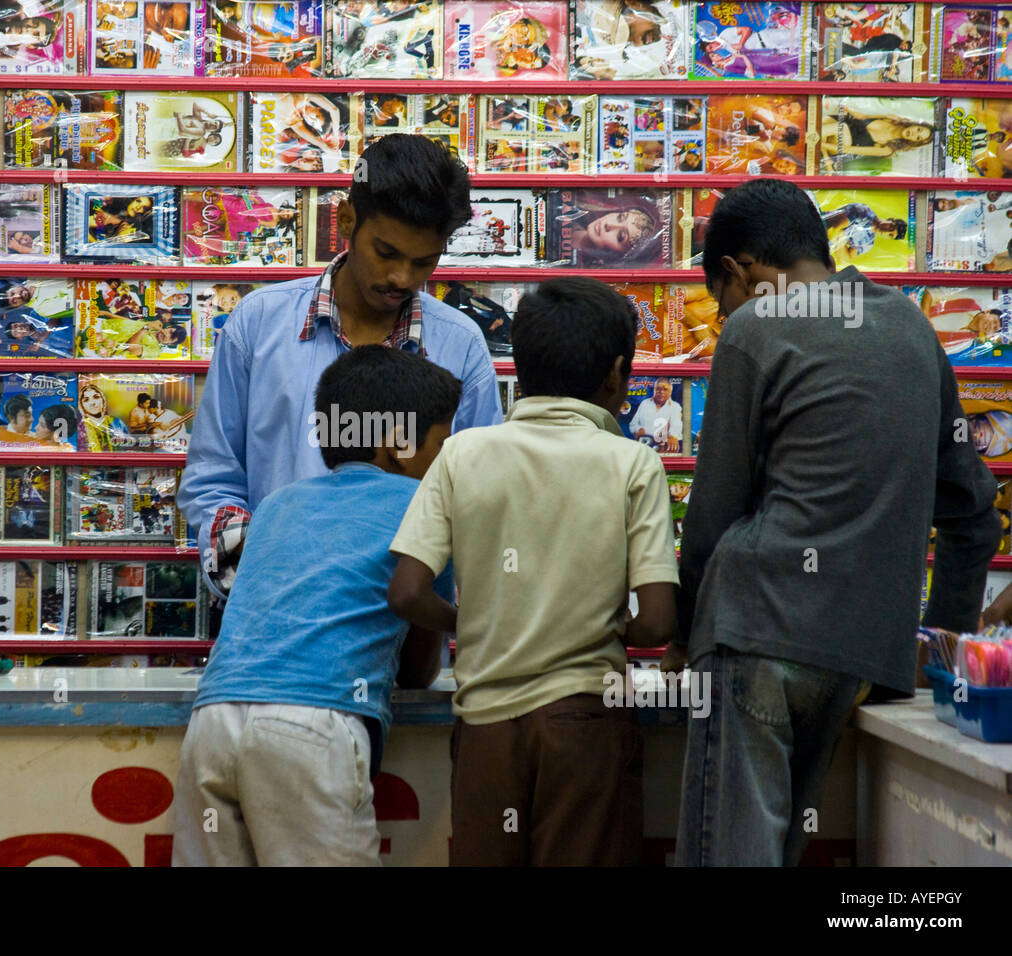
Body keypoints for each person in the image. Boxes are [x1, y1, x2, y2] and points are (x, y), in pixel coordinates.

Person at [671, 178, 1002, 866]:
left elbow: (711, 520)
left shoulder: (755, 329)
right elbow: (973, 514)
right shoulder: (912, 326)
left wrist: (685, 638)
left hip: (756, 625)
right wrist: (941, 652)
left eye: (721, 299)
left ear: (738, 271)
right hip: (858, 652)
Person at [388, 277, 679, 865]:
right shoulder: (633, 462)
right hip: (586, 723)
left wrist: (471, 621)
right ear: (619, 374)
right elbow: (658, 621)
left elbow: (407, 591)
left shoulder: (462, 453)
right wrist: (593, 625)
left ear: (518, 367)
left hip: (485, 730)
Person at [172, 346, 461, 866]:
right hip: (314, 726)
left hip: (212, 722)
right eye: (442, 442)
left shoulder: (279, 503)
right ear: (399, 444)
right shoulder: (425, 509)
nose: (447, 457)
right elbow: (419, 670)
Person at [178, 134, 501, 599]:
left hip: (404, 631)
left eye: (424, 262)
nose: (402, 279)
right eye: (386, 253)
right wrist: (262, 584)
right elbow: (214, 480)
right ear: (347, 219)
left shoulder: (461, 345)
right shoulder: (259, 323)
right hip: (272, 616)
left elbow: (476, 496)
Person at [627, 376, 683, 452]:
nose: (661, 392)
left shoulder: (675, 407)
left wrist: (673, 436)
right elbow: (633, 424)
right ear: (654, 390)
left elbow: (676, 425)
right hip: (645, 447)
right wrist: (638, 429)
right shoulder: (645, 403)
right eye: (658, 389)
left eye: (665, 389)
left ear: (670, 392)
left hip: (663, 448)